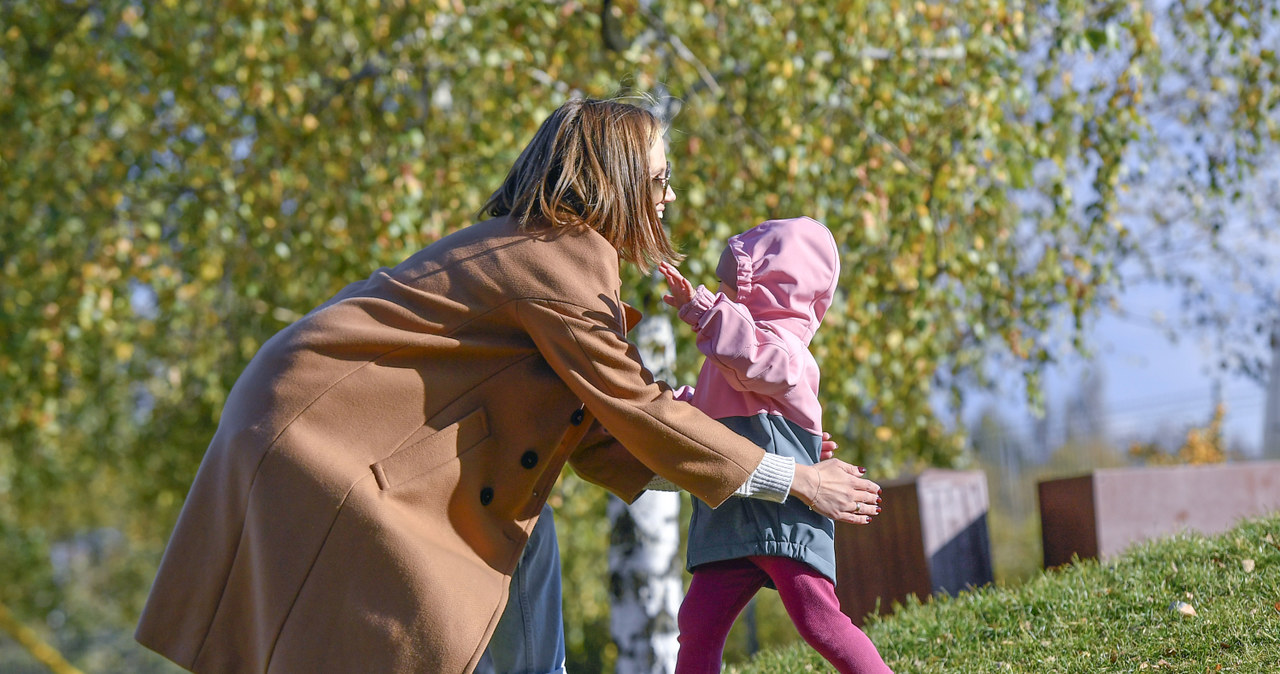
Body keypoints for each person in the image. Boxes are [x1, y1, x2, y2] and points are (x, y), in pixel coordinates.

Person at [134, 97, 883, 674]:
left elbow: (607, 435)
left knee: (520, 531)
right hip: (326, 436)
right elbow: (639, 412)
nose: (669, 199)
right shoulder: (560, 257)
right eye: (659, 180)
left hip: (315, 424)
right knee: (431, 600)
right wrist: (792, 480)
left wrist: (758, 442)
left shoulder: (556, 255)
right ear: (616, 179)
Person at [659, 217, 893, 673]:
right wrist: (676, 401)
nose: (722, 294)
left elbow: (752, 358)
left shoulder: (786, 352)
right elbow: (713, 408)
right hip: (730, 514)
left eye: (732, 287)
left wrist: (704, 312)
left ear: (771, 290)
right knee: (698, 622)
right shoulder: (726, 355)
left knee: (817, 619)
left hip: (786, 513)